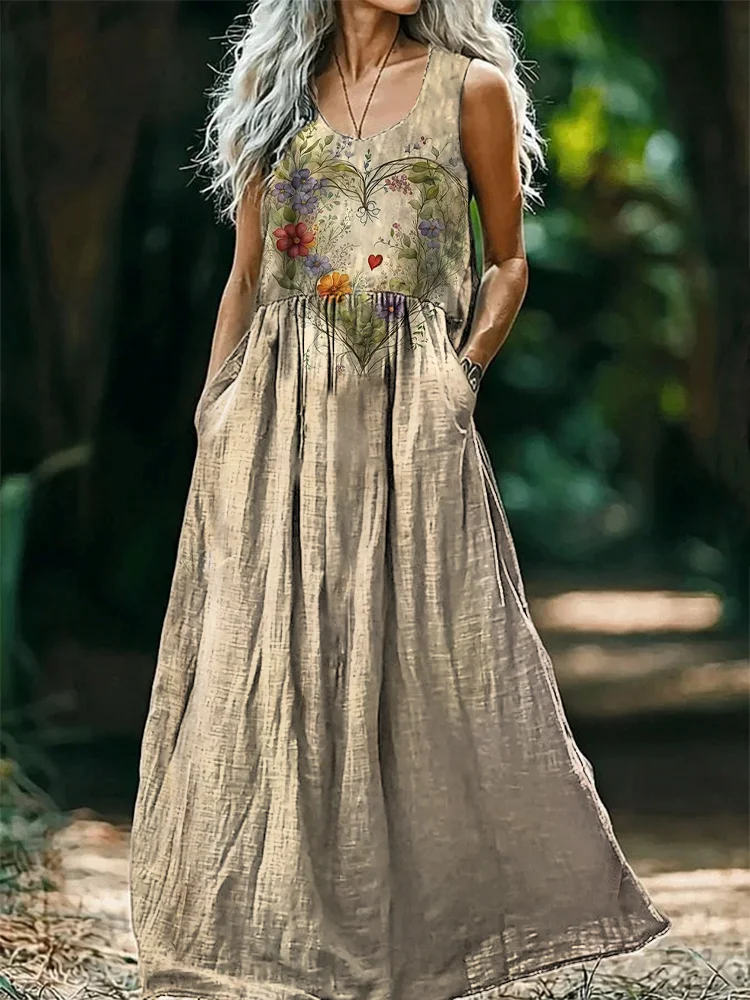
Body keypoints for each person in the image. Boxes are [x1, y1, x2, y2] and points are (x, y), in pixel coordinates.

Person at [129, 2, 671, 999]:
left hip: (410, 412)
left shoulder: (472, 89)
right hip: (277, 416)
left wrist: (461, 379)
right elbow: (245, 277)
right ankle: (280, 932)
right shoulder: (272, 93)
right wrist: (216, 411)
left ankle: (412, 938)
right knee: (274, 655)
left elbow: (508, 261)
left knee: (417, 652)